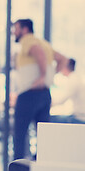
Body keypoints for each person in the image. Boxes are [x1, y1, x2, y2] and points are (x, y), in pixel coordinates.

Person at [12, 18, 67, 160]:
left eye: (16, 28)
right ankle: (41, 170)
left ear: (25, 29)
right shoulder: (44, 43)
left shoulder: (28, 41)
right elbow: (62, 59)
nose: (14, 32)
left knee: (19, 135)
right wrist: (50, 76)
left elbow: (38, 52)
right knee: (43, 137)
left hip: (29, 94)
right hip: (44, 94)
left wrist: (43, 75)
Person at [50, 58, 85, 124]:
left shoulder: (73, 80)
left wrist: (47, 103)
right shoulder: (77, 77)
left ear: (65, 66)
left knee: (49, 119)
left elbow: (61, 100)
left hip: (80, 118)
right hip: (80, 116)